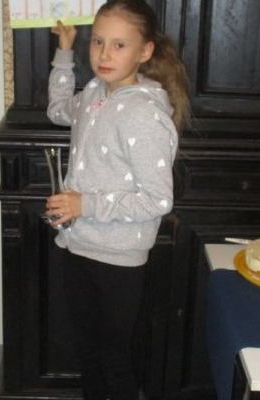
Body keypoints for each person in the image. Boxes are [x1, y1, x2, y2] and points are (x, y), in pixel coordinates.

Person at [45, 0, 190, 399]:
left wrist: (85, 204)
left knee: (114, 359)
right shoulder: (94, 93)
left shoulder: (143, 114)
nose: (104, 54)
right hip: (78, 245)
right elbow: (57, 110)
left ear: (145, 51)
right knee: (88, 353)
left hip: (117, 259)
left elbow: (157, 200)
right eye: (98, 42)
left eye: (119, 45)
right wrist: (64, 53)